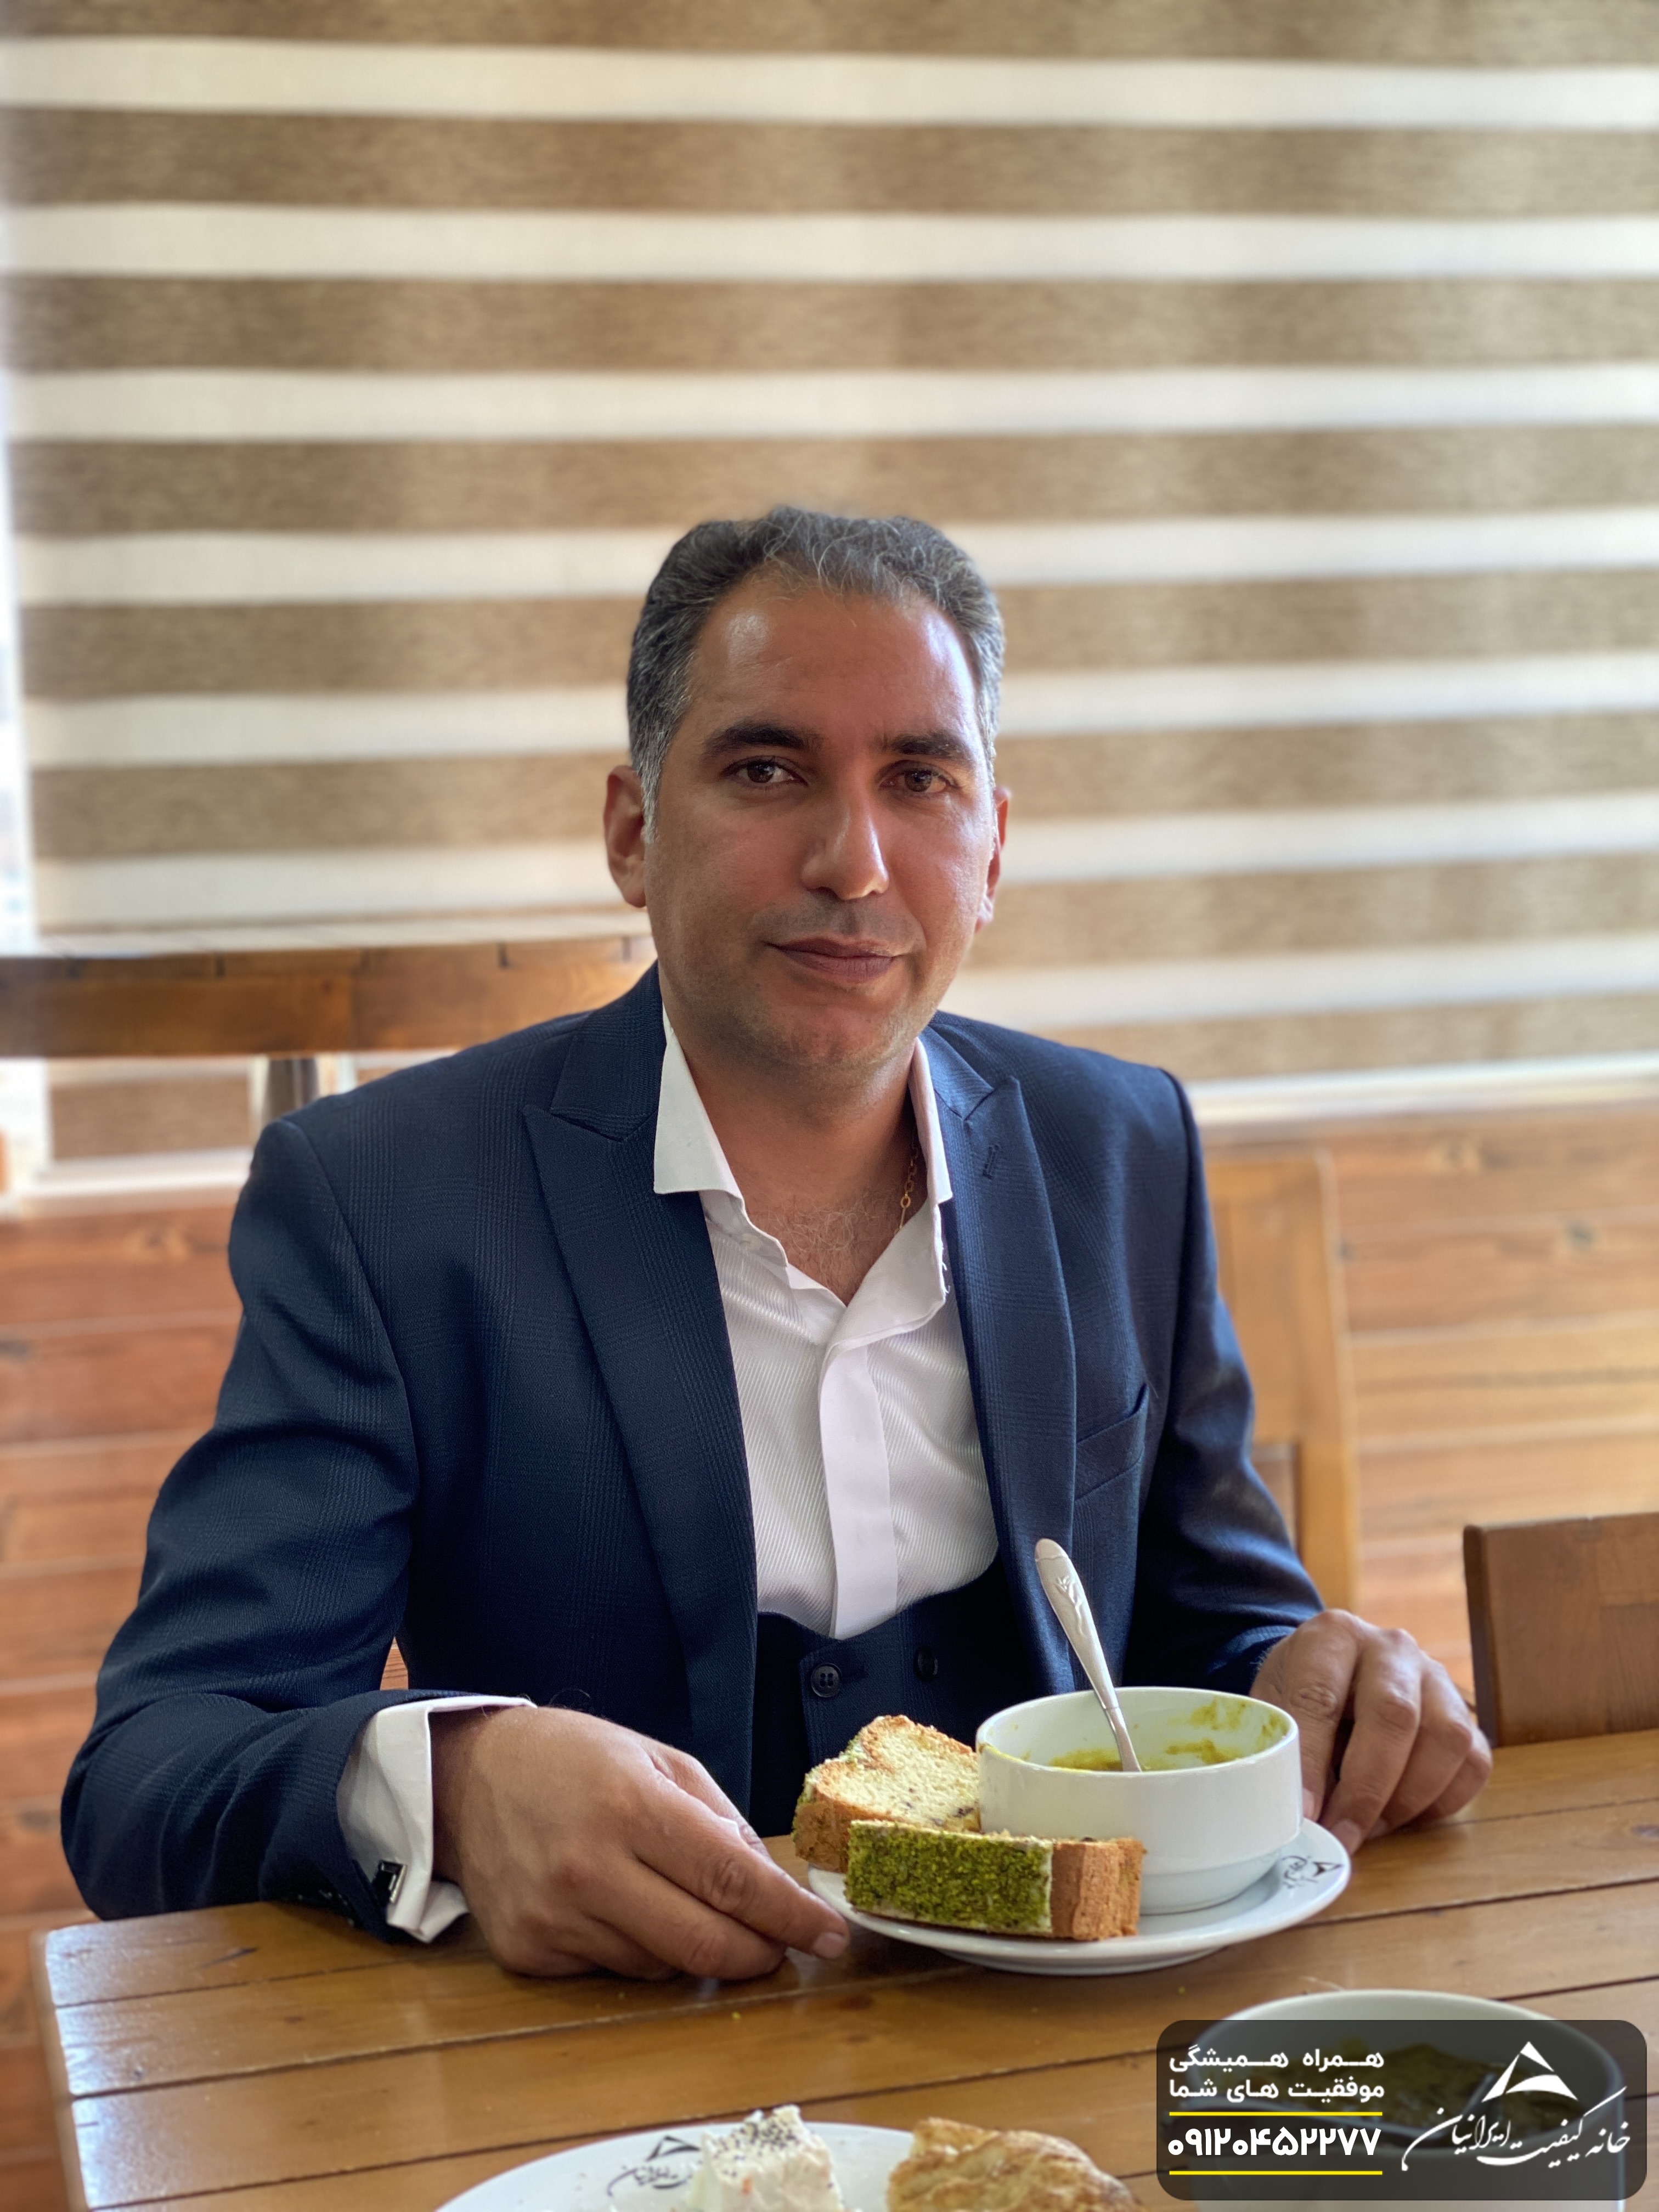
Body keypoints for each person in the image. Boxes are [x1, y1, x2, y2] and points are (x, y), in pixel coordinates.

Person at [63, 509, 1489, 1983]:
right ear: (634, 831)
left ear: (992, 848)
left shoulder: (1119, 1146)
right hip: (617, 2056)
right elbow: (152, 1774)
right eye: (766, 770)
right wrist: (460, 1784)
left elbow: (1218, 1630)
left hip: (1082, 2036)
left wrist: (1323, 1677)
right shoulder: (386, 1199)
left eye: (920, 780)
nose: (853, 861)